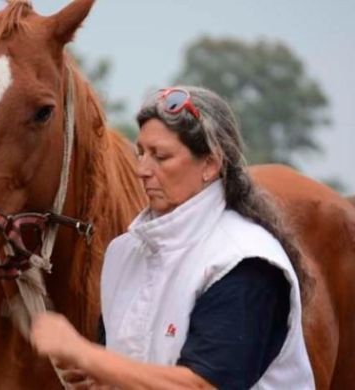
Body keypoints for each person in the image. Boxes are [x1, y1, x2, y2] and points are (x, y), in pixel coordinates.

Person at [30, 86, 315, 389]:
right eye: (141, 153)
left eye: (161, 156)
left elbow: (203, 386)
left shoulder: (245, 262)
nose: (141, 170)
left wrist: (86, 355)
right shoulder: (122, 254)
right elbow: (132, 367)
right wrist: (103, 378)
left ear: (210, 164)